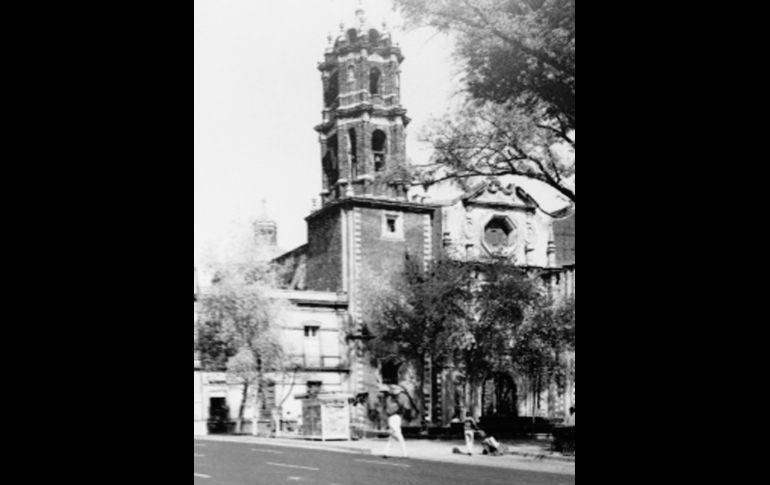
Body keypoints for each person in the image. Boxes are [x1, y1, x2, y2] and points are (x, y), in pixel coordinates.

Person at [382, 385, 410, 458]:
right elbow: (403, 407)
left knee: (392, 437)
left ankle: (386, 452)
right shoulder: (393, 400)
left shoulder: (389, 399)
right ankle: (405, 453)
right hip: (395, 417)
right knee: (399, 436)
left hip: (392, 418)